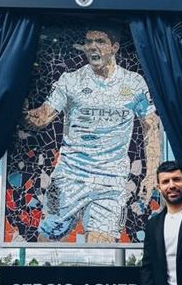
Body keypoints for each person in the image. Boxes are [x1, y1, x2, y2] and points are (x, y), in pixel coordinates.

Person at [22, 26, 160, 243]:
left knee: (101, 249)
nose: (92, 46)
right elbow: (43, 117)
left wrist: (152, 173)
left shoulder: (133, 83)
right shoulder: (71, 80)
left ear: (114, 47)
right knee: (47, 243)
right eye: (88, 41)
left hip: (111, 181)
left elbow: (151, 126)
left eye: (100, 41)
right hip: (69, 177)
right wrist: (19, 110)